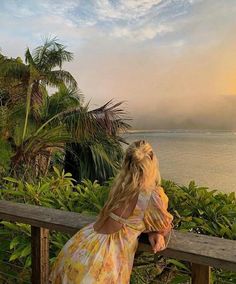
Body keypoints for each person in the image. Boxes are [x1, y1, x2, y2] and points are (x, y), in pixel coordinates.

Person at [50, 140, 173, 283]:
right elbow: (164, 226)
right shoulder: (151, 196)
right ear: (152, 162)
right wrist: (156, 232)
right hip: (104, 261)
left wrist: (152, 231)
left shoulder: (120, 188)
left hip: (83, 246)